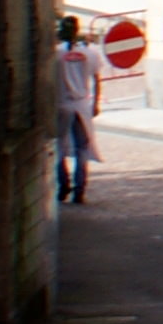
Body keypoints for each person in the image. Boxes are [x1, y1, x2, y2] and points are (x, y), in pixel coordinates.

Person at [55, 15, 106, 204]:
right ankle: (80, 188)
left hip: (62, 103)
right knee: (82, 147)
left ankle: (63, 185)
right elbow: (96, 79)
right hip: (81, 104)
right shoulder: (90, 54)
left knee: (59, 147)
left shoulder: (56, 54)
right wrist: (95, 103)